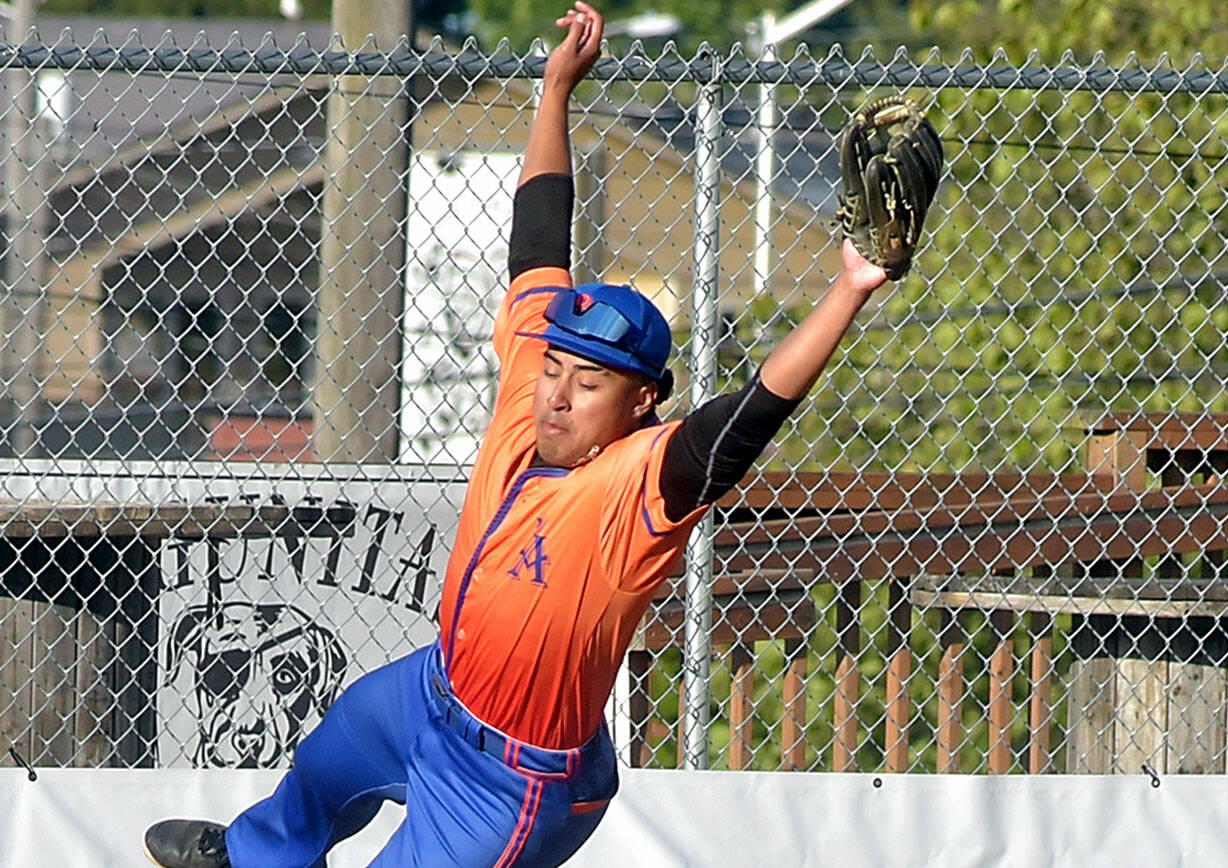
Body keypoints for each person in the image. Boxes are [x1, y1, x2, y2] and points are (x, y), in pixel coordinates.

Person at [144, 3, 889, 866]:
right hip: (432, 695)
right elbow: (538, 237)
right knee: (327, 758)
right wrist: (554, 94)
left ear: (643, 402)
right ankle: (254, 855)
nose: (560, 395)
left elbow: (748, 416)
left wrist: (849, 290)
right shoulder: (529, 381)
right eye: (557, 371)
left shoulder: (632, 492)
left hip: (508, 785)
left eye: (592, 382)